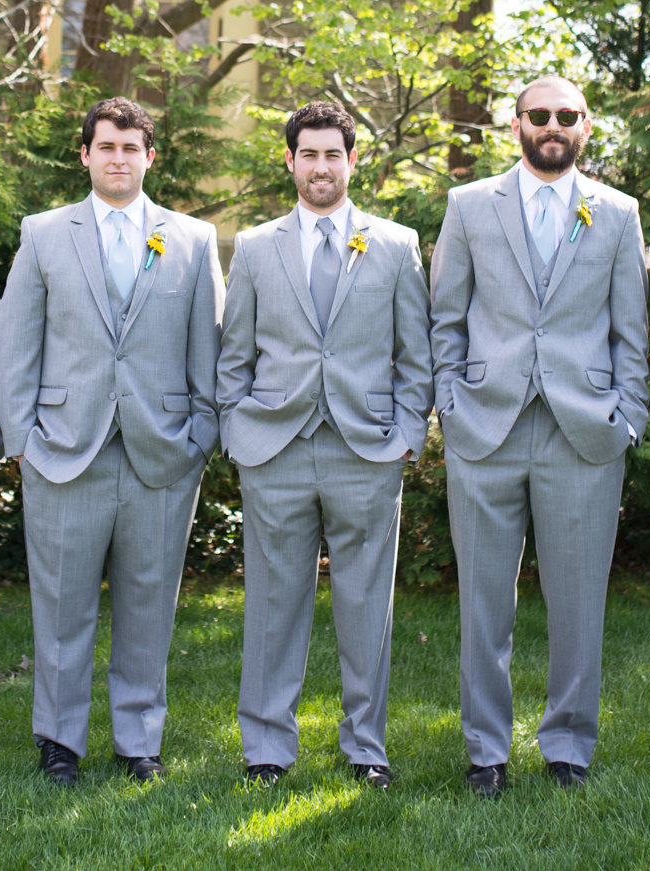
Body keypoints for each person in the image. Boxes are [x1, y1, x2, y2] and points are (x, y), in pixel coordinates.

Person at [430, 75, 649, 798]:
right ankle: (486, 751)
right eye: (540, 115)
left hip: (583, 432)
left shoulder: (617, 213)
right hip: (485, 428)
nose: (552, 125)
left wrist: (629, 418)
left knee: (579, 600)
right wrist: (450, 410)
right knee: (483, 603)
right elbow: (445, 321)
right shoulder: (468, 206)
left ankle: (567, 745)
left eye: (567, 115)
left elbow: (629, 331)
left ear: (587, 125)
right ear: (516, 123)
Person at [0, 97, 225, 785]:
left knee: (149, 603)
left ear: (150, 156)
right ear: (85, 152)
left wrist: (199, 437)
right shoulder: (42, 234)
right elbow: (16, 344)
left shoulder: (192, 237)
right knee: (62, 603)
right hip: (65, 448)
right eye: (107, 146)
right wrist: (23, 441)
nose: (118, 158)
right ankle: (59, 741)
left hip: (162, 450)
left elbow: (207, 348)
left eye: (131, 147)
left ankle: (139, 740)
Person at [216, 101, 429, 792]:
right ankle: (267, 748)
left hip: (365, 448)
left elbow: (415, 356)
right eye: (307, 154)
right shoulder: (254, 246)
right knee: (274, 602)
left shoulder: (396, 244)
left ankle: (366, 744)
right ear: (289, 160)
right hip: (275, 447)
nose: (320, 166)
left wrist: (403, 434)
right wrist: (238, 429)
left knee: (367, 604)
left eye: (332, 154)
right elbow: (233, 354)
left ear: (352, 161)